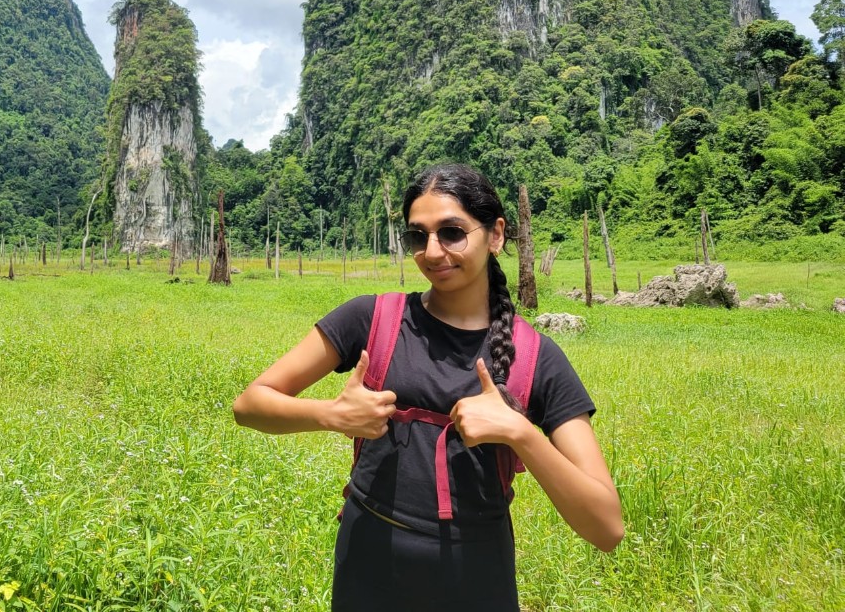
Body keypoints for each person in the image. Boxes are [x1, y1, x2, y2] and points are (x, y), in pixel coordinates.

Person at [232, 163, 622, 611]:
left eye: (452, 232)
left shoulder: (537, 358)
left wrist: (520, 432)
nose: (433, 252)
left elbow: (606, 527)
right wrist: (331, 415)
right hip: (367, 567)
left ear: (495, 235)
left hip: (475, 583)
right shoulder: (371, 319)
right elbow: (250, 404)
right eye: (419, 236)